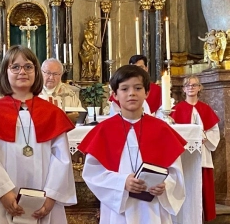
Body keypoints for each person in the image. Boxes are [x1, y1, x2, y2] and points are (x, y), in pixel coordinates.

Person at [0, 45, 77, 224]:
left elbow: (61, 159)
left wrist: (51, 197)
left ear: (36, 72)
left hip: (45, 199)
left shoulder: (52, 113)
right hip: (4, 199)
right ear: (5, 72)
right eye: (15, 67)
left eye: (28, 66)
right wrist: (3, 192)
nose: (22, 71)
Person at [78, 65, 186, 224]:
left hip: (153, 208)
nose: (131, 93)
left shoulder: (161, 129)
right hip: (119, 208)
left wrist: (165, 186)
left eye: (138, 88)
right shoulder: (104, 130)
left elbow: (176, 171)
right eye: (124, 89)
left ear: (147, 92)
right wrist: (122, 182)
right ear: (114, 94)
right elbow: (92, 172)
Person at [170, 75, 220, 222]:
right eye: (187, 85)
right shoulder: (176, 110)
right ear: (184, 89)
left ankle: (201, 218)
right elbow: (172, 131)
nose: (191, 87)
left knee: (202, 188)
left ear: (199, 88)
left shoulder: (206, 109)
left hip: (202, 155)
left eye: (194, 85)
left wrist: (206, 137)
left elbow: (214, 132)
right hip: (184, 156)